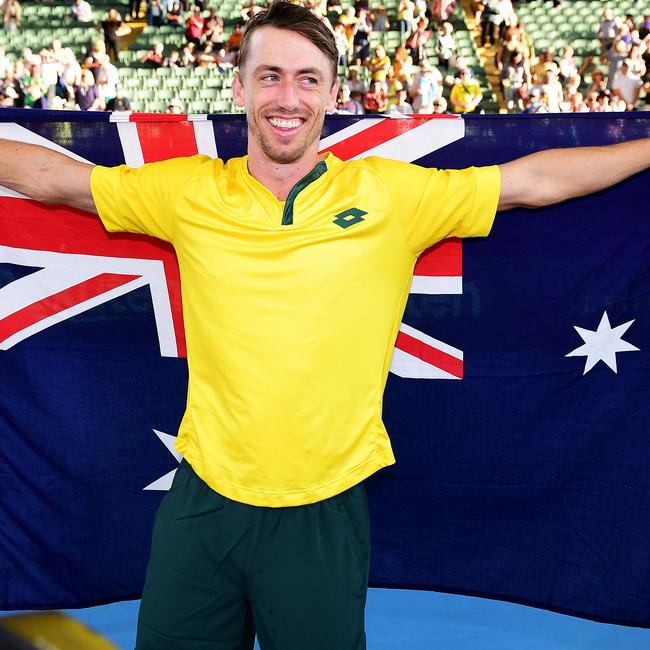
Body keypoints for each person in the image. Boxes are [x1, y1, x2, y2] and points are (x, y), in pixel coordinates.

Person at [0, 2, 649, 649]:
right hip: (201, 500)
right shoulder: (189, 192)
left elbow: (530, 180)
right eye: (271, 75)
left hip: (323, 510)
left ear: (334, 94)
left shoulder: (391, 196)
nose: (289, 96)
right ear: (239, 86)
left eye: (308, 78)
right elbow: (57, 177)